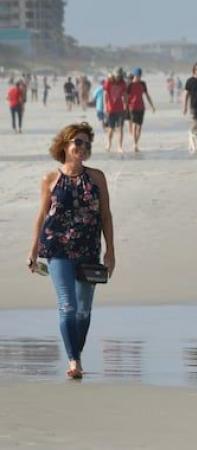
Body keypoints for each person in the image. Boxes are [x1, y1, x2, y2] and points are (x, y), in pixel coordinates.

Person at [27, 122, 115, 379]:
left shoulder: (97, 177)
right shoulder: (50, 179)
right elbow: (42, 216)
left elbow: (106, 216)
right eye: (78, 142)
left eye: (87, 144)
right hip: (57, 248)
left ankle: (76, 353)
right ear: (65, 144)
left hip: (89, 249)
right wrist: (33, 251)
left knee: (84, 309)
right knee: (67, 305)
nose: (83, 147)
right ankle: (74, 361)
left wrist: (110, 251)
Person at [126, 68, 156, 152]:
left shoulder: (143, 84)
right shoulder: (130, 85)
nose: (139, 77)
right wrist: (125, 107)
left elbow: (147, 95)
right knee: (135, 126)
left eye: (140, 75)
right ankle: (134, 144)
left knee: (139, 127)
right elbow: (126, 97)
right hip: (132, 107)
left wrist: (152, 106)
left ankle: (136, 143)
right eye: (137, 75)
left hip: (141, 107)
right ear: (134, 75)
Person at [104, 68, 128, 152]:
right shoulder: (109, 82)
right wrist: (105, 107)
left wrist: (125, 106)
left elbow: (125, 95)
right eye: (117, 76)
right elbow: (106, 94)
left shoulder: (122, 83)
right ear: (114, 75)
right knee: (111, 129)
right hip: (110, 109)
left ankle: (120, 146)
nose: (118, 77)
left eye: (119, 76)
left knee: (120, 128)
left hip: (120, 109)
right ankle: (109, 144)